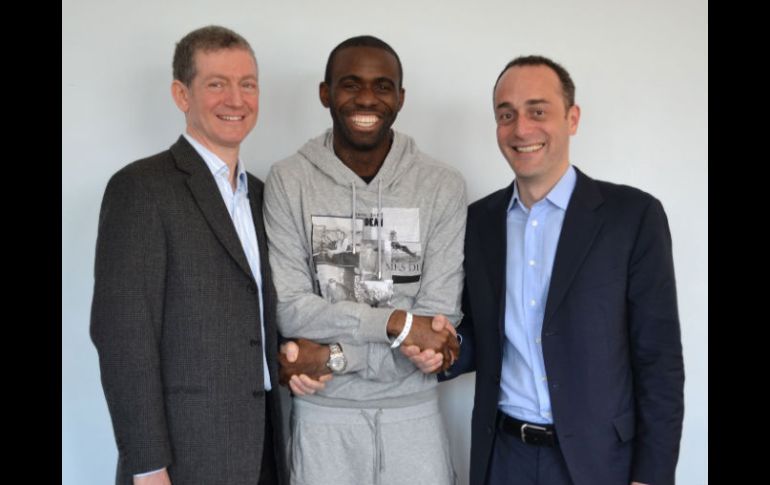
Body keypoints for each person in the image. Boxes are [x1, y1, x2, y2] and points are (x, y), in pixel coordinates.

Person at [406, 55, 685, 485]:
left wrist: (651, 476)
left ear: (572, 118)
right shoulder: (479, 222)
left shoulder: (633, 217)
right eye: (506, 115)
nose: (521, 128)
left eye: (538, 111)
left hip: (601, 462)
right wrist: (444, 349)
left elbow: (659, 361)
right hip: (503, 458)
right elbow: (481, 337)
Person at [90, 25, 289, 485]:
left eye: (248, 84)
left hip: (265, 449)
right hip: (184, 458)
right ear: (182, 94)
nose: (235, 100)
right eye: (216, 84)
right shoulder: (141, 188)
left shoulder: (264, 196)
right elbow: (122, 338)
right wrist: (147, 466)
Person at [263, 35, 464, 485]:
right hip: (322, 422)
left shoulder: (441, 185)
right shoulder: (288, 180)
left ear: (401, 97)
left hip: (414, 421)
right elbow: (291, 307)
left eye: (383, 86)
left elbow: (438, 322)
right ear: (325, 93)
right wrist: (396, 324)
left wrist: (333, 357)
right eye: (351, 84)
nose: (368, 98)